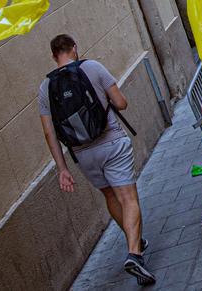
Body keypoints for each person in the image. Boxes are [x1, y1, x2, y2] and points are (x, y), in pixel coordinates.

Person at [38, 35, 155, 285]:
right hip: (111, 142)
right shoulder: (92, 67)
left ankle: (134, 239)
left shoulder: (45, 88)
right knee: (128, 198)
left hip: (83, 154)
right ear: (75, 48)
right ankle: (135, 254)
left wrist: (62, 169)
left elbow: (49, 133)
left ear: (53, 56)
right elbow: (121, 103)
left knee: (110, 197)